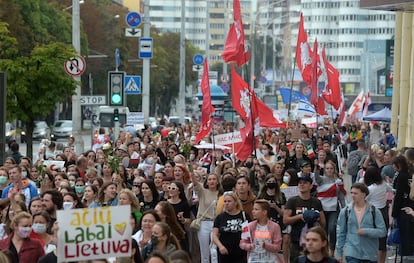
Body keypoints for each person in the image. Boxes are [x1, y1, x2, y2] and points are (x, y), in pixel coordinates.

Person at [335, 183, 387, 263]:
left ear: (363, 194)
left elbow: (382, 231)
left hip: (370, 253)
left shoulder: (374, 211)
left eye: (356, 193)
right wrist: (339, 252)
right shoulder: (345, 211)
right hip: (352, 251)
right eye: (351, 193)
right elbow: (341, 233)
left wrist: (366, 231)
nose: (353, 195)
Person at [283, 175, 326, 262]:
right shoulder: (292, 201)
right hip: (296, 240)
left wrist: (316, 218)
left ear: (310, 186)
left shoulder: (316, 202)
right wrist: (300, 216)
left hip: (313, 241)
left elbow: (323, 223)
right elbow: (285, 220)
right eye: (300, 183)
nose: (302, 185)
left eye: (305, 183)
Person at [191, 172, 221, 263]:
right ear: (206, 182)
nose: (212, 181)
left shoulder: (221, 194)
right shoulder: (202, 191)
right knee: (204, 252)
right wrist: (190, 168)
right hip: (204, 222)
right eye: (210, 179)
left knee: (214, 250)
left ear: (217, 182)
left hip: (216, 223)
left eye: (214, 179)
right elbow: (195, 182)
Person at [213, 191, 248, 263]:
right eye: (225, 201)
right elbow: (214, 235)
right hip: (224, 251)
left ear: (236, 202)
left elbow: (249, 232)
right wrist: (220, 246)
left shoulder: (244, 215)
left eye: (229, 201)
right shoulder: (220, 217)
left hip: (241, 251)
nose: (226, 203)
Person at [391, 155, 414, 257]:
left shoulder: (401, 176)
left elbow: (399, 195)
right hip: (409, 205)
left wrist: (394, 212)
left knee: (403, 231)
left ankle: (404, 250)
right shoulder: (408, 174)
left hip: (403, 206)